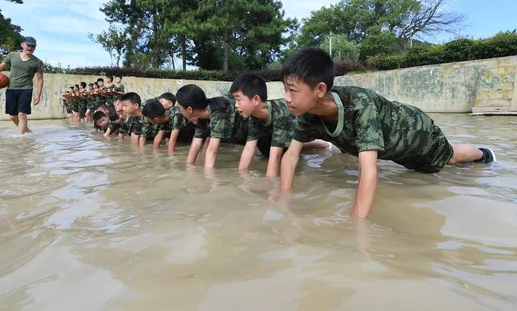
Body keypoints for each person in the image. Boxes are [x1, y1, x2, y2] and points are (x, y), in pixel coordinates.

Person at [279, 48, 497, 218]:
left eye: (293, 90)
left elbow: (368, 170)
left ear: (319, 89)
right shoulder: (306, 115)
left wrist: (357, 224)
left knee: (450, 157)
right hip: (395, 149)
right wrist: (283, 200)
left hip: (416, 133)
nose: (287, 98)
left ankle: (484, 154)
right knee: (419, 173)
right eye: (285, 90)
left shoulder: (359, 104)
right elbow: (291, 156)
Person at [230, 73, 330, 177]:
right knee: (268, 151)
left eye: (239, 100)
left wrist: (269, 183)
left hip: (297, 129)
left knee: (289, 149)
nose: (236, 105)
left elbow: (275, 156)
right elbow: (249, 149)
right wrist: (240, 176)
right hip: (280, 133)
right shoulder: (254, 116)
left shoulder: (281, 113)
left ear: (256, 99)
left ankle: (325, 145)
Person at [176, 84, 257, 168]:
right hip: (246, 137)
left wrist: (208, 178)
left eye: (180, 108)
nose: (179, 111)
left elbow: (212, 150)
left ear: (189, 109)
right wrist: (189, 169)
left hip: (261, 135)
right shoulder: (203, 116)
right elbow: (196, 143)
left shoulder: (219, 111)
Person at [0, 36, 44, 134]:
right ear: (22, 45)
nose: (30, 48)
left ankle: (20, 139)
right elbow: (1, 67)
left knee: (21, 114)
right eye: (28, 45)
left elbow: (40, 79)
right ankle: (28, 132)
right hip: (11, 89)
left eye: (33, 46)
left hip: (26, 89)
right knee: (13, 116)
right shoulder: (12, 56)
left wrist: (38, 94)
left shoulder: (38, 62)